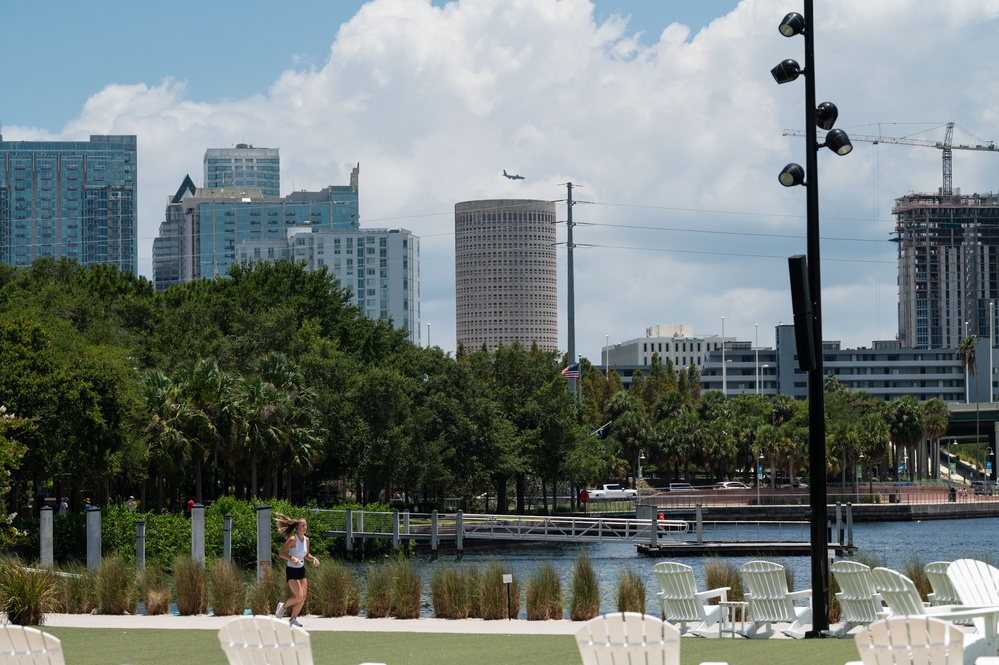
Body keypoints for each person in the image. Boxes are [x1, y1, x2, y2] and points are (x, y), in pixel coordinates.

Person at [274, 513, 320, 627]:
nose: (305, 527)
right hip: (291, 570)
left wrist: (313, 559)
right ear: (297, 528)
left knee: (303, 596)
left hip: (301, 570)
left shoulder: (306, 540)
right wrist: (291, 558)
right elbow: (281, 553)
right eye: (303, 525)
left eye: (306, 525)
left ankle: (293, 620)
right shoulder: (292, 539)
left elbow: (307, 555)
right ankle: (282, 607)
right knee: (299, 596)